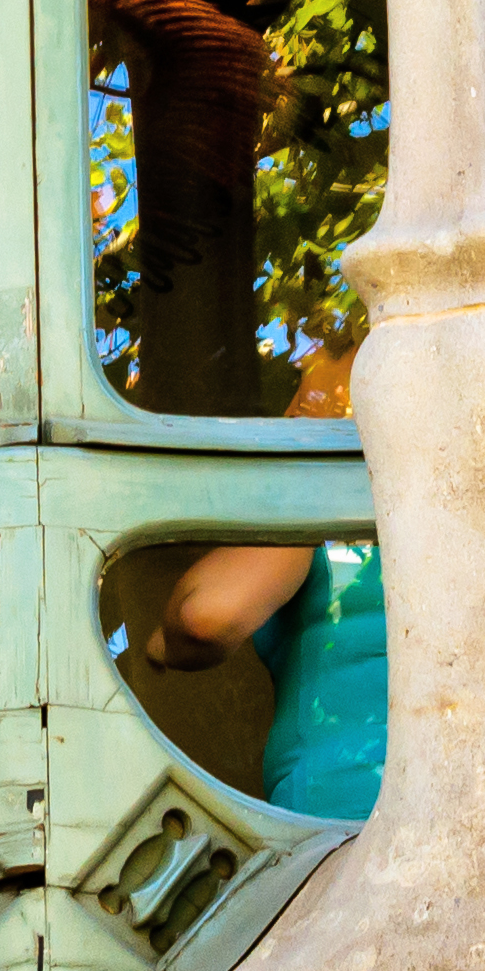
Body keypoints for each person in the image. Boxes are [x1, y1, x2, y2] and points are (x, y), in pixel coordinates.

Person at [140, 343, 390, 822]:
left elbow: (207, 616)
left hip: (348, 815)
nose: (291, 412)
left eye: (304, 399)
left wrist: (157, 644)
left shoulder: (321, 507)